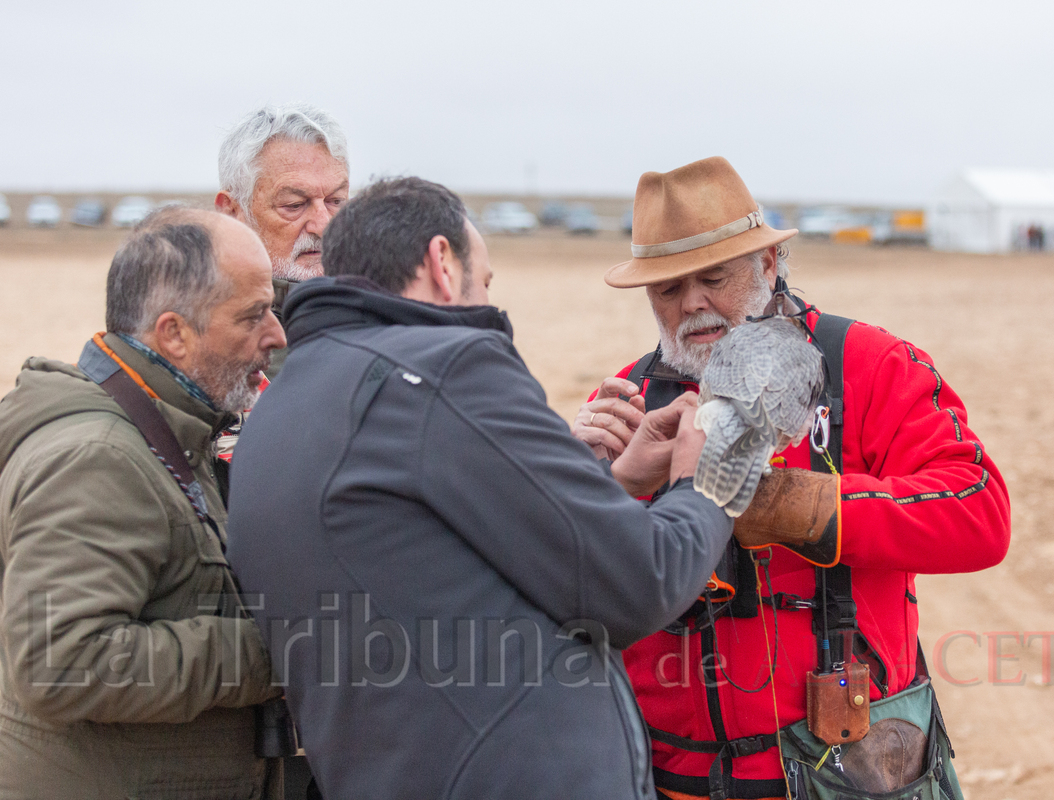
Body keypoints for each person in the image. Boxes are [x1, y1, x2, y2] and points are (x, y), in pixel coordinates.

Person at [224, 177, 736, 800]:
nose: (489, 300)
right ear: (443, 263)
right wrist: (708, 473)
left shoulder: (277, 415)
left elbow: (429, 566)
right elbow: (644, 579)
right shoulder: (444, 370)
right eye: (485, 281)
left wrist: (610, 480)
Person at [574, 157, 1011, 800]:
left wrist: (799, 506)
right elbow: (567, 591)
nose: (692, 302)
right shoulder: (628, 403)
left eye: (714, 276)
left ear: (769, 264)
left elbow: (980, 515)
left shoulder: (866, 364)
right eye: (668, 288)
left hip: (850, 776)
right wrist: (595, 483)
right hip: (668, 781)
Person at [0, 207, 287, 798]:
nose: (276, 335)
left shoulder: (169, 427)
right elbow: (61, 663)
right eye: (254, 315)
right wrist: (275, 651)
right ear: (174, 334)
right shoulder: (99, 457)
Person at [216, 103, 350, 378]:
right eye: (294, 204)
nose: (323, 225)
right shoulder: (199, 344)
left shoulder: (389, 315)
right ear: (231, 212)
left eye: (336, 201)